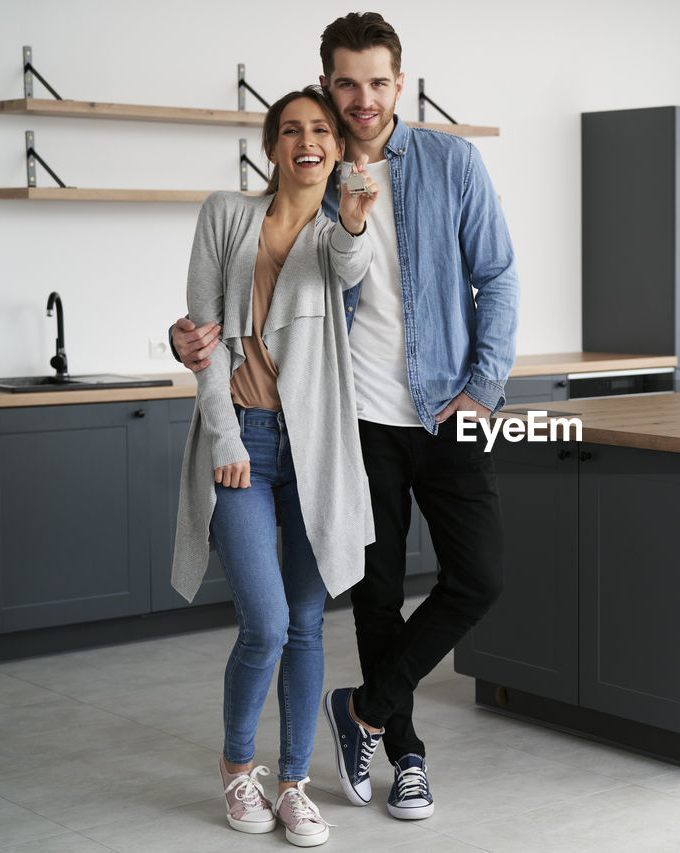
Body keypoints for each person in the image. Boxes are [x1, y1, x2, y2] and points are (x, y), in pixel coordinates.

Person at [171, 11, 519, 822]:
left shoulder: (448, 161)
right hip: (347, 422)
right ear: (325, 85)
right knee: (374, 595)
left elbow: (496, 276)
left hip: (446, 407)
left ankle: (359, 711)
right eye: (345, 84)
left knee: (480, 575)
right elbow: (238, 292)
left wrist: (484, 386)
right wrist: (186, 336)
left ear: (399, 83)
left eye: (376, 82)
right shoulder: (310, 176)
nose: (361, 99)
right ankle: (405, 756)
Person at [171, 86, 380, 846]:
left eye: (321, 129)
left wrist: (355, 218)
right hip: (245, 448)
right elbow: (201, 340)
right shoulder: (226, 215)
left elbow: (354, 266)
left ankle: (294, 782)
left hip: (316, 452)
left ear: (337, 147)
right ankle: (237, 768)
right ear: (271, 146)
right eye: (291, 129)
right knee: (262, 622)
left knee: (304, 624)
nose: (307, 140)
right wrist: (224, 439)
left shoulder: (336, 236)